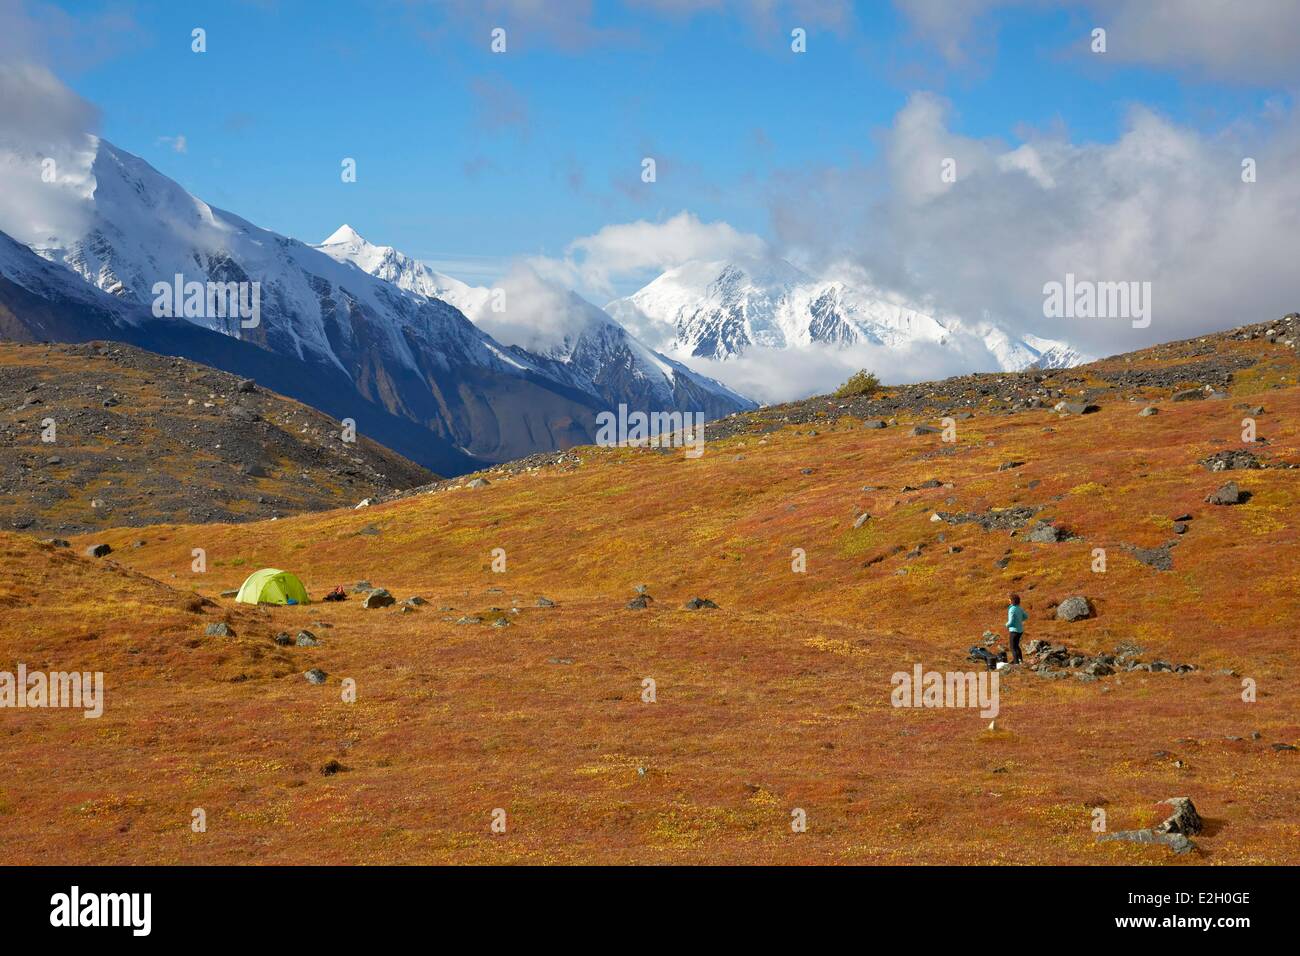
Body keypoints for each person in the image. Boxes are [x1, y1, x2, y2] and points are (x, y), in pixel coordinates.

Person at [1006, 593, 1026, 664]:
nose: (1008, 600)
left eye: (1009, 599)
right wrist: (1019, 620)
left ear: (1012, 600)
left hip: (1014, 630)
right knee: (1017, 645)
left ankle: (1016, 662)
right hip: (1020, 630)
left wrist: (1007, 625)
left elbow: (1010, 621)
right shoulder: (1020, 608)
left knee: (1012, 647)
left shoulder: (1011, 609)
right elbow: (1026, 616)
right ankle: (1020, 660)